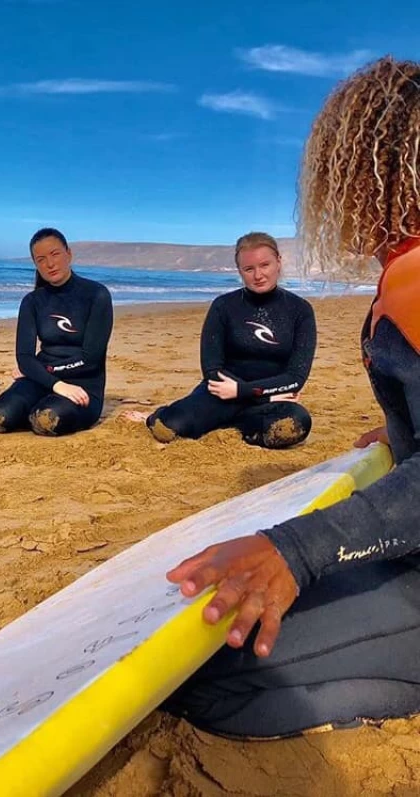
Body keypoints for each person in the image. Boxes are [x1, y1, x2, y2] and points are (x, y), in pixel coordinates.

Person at [163, 56, 420, 739]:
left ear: (367, 175)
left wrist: (295, 550)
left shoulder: (415, 278)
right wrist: (401, 429)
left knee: (200, 676)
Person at [143, 232, 316, 449]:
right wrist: (262, 396)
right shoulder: (223, 306)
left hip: (262, 398)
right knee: (167, 427)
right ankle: (165, 413)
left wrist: (244, 392)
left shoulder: (300, 310)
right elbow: (211, 370)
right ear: (240, 271)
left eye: (265, 265)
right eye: (249, 269)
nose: (258, 275)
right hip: (222, 394)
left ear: (278, 262)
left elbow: (296, 377)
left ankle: (232, 419)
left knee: (295, 424)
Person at [0, 227, 112, 436]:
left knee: (46, 420)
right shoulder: (33, 301)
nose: (50, 264)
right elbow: (24, 357)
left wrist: (45, 372)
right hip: (42, 380)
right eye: (41, 259)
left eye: (55, 254)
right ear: (35, 264)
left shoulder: (96, 295)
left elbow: (91, 359)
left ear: (69, 254)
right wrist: (51, 381)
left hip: (83, 387)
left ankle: (29, 411)